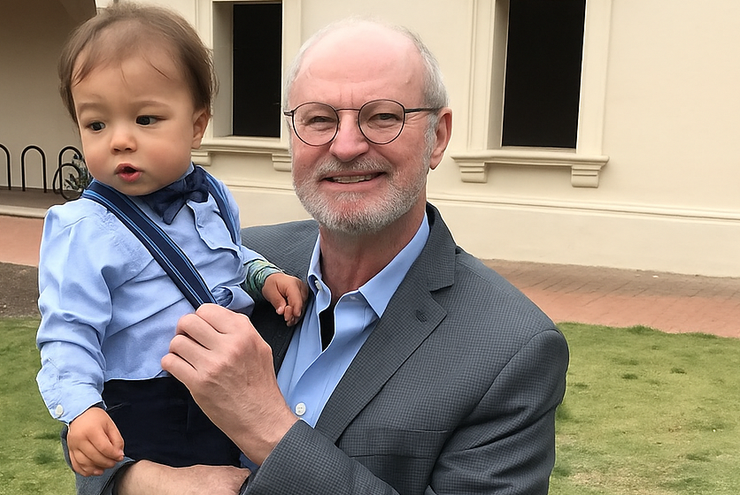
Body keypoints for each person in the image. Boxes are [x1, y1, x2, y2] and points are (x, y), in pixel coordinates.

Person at [83, 16, 570, 495]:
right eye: (318, 119)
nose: (347, 145)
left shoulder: (510, 349)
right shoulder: (232, 265)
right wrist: (149, 483)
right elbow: (101, 423)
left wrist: (269, 429)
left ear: (437, 137)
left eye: (383, 117)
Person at [34, 2, 307, 490]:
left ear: (197, 125)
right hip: (144, 404)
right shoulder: (83, 229)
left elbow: (224, 258)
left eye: (145, 118)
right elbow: (67, 330)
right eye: (96, 124)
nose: (120, 140)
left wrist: (262, 275)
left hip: (220, 388)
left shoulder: (210, 195)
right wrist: (81, 408)